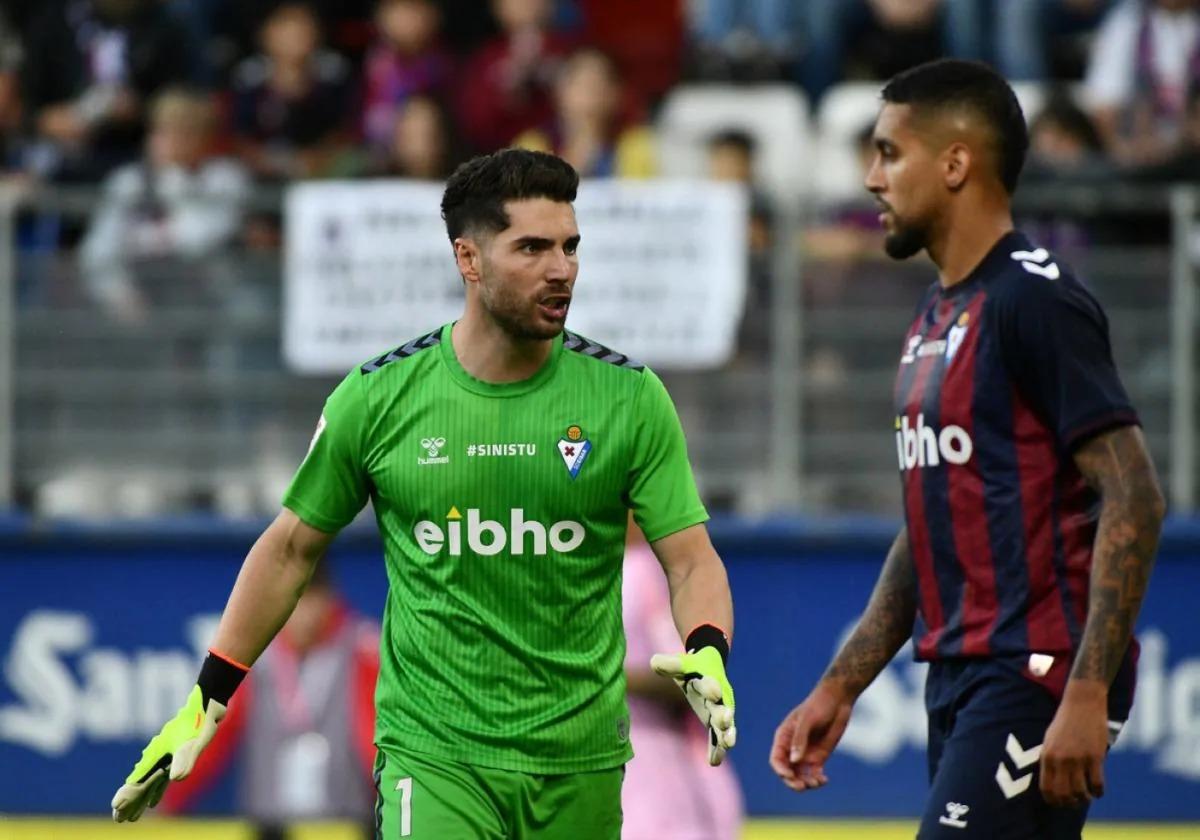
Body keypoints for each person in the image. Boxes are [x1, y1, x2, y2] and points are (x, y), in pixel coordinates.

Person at [111, 149, 737, 838]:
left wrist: (707, 646)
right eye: (531, 247)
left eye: (569, 246)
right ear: (469, 260)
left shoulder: (631, 398)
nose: (561, 269)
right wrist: (206, 699)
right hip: (435, 757)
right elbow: (289, 549)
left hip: (581, 762)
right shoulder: (378, 398)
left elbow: (690, 558)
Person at [770, 59, 1165, 839]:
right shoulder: (934, 313)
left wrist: (1085, 693)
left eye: (889, 152)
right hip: (960, 673)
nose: (871, 178)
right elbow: (934, 521)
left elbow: (1135, 493)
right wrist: (841, 685)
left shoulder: (1034, 299)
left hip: (1037, 672)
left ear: (955, 163)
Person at [159, 562, 380, 840]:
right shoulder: (253, 656)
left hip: (346, 827)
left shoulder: (362, 650)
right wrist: (167, 800)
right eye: (296, 603)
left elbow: (376, 741)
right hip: (269, 828)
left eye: (313, 600)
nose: (304, 616)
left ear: (330, 599)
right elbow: (212, 733)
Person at [622, 521, 743, 840]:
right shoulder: (586, 571)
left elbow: (694, 679)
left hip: (667, 785)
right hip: (615, 777)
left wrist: (603, 678)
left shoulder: (650, 571)